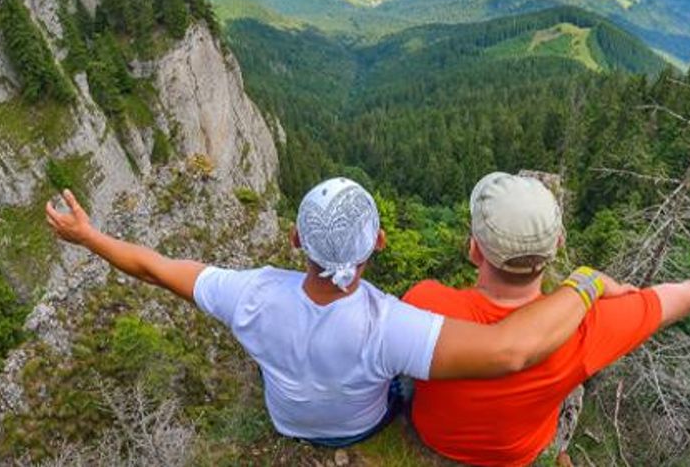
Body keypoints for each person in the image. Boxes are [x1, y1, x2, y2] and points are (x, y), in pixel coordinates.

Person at [43, 177, 617, 448]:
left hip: (287, 423)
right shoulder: (390, 322)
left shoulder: (251, 295)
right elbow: (510, 349)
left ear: (295, 239)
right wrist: (584, 286)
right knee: (410, 385)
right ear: (379, 244)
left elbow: (153, 267)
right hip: (361, 426)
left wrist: (89, 236)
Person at [403, 172, 690, 467]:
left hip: (435, 437)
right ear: (558, 244)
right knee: (571, 393)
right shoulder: (592, 325)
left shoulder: (424, 301)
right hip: (516, 454)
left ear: (474, 249)